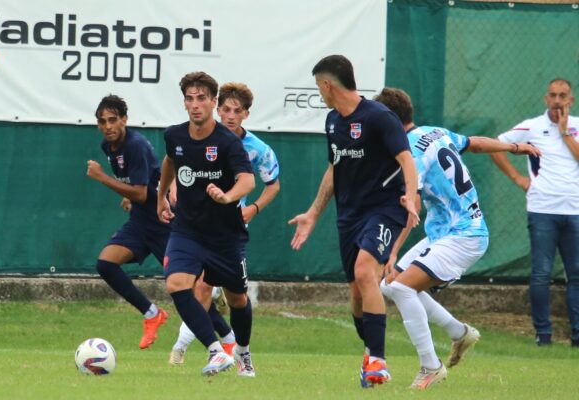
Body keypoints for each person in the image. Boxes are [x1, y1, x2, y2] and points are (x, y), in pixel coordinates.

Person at [376, 87, 541, 389]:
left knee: (400, 287)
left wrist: (393, 250)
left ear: (388, 121)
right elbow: (475, 144)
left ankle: (430, 366)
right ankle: (459, 332)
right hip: (448, 233)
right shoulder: (435, 132)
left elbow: (409, 208)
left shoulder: (410, 153)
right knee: (389, 285)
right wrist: (514, 148)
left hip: (463, 236)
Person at [288, 55, 420, 389]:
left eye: (319, 86)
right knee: (357, 295)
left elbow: (407, 160)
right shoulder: (333, 121)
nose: (320, 92)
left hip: (385, 209)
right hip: (349, 216)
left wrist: (409, 196)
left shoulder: (380, 117)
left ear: (327, 84)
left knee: (365, 271)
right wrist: (313, 214)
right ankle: (370, 354)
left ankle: (378, 359)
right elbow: (335, 169)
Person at [169, 82, 280, 366]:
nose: (230, 116)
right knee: (195, 287)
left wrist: (252, 208)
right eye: (226, 110)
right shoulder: (197, 136)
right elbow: (176, 161)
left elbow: (271, 185)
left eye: (237, 111)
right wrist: (170, 190)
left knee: (236, 298)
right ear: (217, 109)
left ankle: (239, 350)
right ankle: (189, 349)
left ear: (246, 114)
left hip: (228, 229)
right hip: (194, 227)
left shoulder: (257, 149)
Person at [157, 71, 257, 377]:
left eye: (202, 98)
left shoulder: (227, 142)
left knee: (238, 299)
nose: (195, 105)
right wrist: (161, 196)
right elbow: (170, 162)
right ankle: (215, 351)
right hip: (188, 230)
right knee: (176, 284)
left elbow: (248, 181)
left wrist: (227, 197)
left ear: (213, 102)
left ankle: (243, 351)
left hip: (225, 235)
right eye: (190, 99)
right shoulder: (174, 135)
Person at [490, 78, 579, 347]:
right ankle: (543, 335)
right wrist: (518, 178)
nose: (557, 101)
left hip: (575, 210)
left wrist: (564, 132)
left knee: (576, 274)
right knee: (541, 273)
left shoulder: (576, 126)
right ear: (545, 98)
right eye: (552, 95)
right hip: (542, 210)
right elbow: (497, 145)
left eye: (563, 96)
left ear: (571, 100)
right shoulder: (532, 126)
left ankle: (577, 335)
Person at [86, 95, 169, 350]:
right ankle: (152, 313)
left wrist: (102, 178)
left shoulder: (135, 145)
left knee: (186, 288)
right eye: (102, 121)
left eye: (113, 120)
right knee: (106, 264)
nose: (107, 126)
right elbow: (136, 187)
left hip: (164, 222)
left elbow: (143, 193)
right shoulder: (107, 147)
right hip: (140, 221)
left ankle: (227, 340)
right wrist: (127, 195)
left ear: (124, 119)